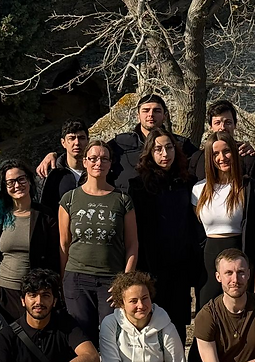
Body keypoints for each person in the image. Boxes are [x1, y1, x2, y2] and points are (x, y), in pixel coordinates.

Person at [58, 139, 138, 344]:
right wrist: (64, 280)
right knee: (83, 340)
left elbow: (132, 244)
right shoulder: (69, 199)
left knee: (112, 339)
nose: (98, 163)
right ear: (84, 161)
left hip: (111, 281)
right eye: (93, 158)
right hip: (77, 279)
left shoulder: (122, 199)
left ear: (111, 163)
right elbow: (64, 244)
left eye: (104, 159)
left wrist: (124, 283)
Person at [36, 94, 198, 192]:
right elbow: (94, 153)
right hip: (127, 209)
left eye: (157, 111)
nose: (151, 115)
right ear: (138, 115)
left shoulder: (179, 144)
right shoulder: (122, 142)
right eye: (146, 110)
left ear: (164, 115)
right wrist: (55, 155)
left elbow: (203, 160)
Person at [128, 127, 199, 342]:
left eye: (169, 148)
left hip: (180, 266)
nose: (165, 154)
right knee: (150, 324)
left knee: (177, 326)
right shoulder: (138, 186)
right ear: (150, 152)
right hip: (151, 267)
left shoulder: (188, 182)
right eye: (158, 149)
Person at [0, 159, 59, 323]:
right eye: (10, 182)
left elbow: (54, 258)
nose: (17, 185)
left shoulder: (45, 216)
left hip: (35, 295)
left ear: (29, 180)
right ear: (4, 187)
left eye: (21, 179)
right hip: (2, 293)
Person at [192, 131, 255, 309]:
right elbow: (195, 230)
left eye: (227, 151)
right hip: (208, 259)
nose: (222, 158)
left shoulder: (247, 187)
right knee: (207, 309)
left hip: (239, 254)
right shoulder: (198, 189)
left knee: (240, 309)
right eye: (215, 153)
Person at [188, 100, 255, 181]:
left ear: (235, 125)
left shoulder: (248, 159)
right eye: (217, 123)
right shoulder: (198, 159)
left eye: (228, 122)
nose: (222, 127)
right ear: (210, 127)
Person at [39, 120, 89, 212]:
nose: (77, 142)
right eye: (71, 138)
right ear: (63, 143)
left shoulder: (97, 169)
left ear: (88, 141)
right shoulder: (50, 173)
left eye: (81, 138)